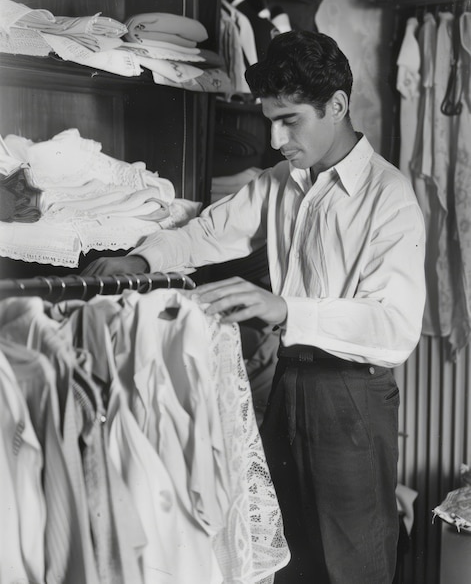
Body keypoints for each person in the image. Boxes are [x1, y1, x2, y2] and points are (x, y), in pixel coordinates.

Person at [82, 30, 426, 584]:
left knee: (353, 566)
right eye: (270, 119)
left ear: (336, 106)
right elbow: (207, 232)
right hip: (288, 386)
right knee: (282, 558)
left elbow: (394, 326)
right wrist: (141, 261)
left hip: (353, 397)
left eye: (289, 120)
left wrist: (284, 308)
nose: (274, 137)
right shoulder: (279, 184)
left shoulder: (390, 197)